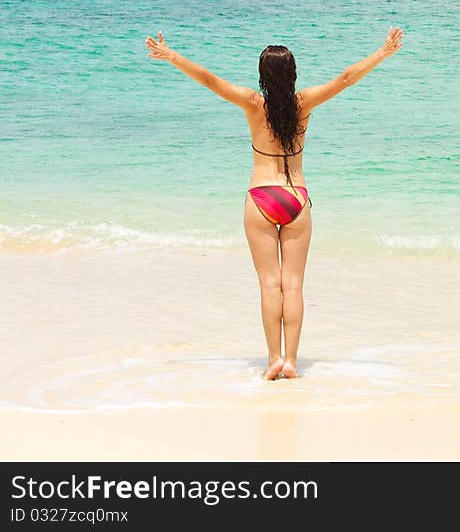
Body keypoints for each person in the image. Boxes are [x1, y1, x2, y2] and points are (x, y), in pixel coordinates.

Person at [145, 26, 404, 379]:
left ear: (262, 76)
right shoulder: (304, 103)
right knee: (293, 285)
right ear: (293, 73)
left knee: (269, 284)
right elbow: (345, 79)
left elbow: (209, 79)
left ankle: (273, 360)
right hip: (295, 196)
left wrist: (171, 55)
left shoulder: (253, 103)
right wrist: (383, 53)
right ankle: (293, 361)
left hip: (262, 197)